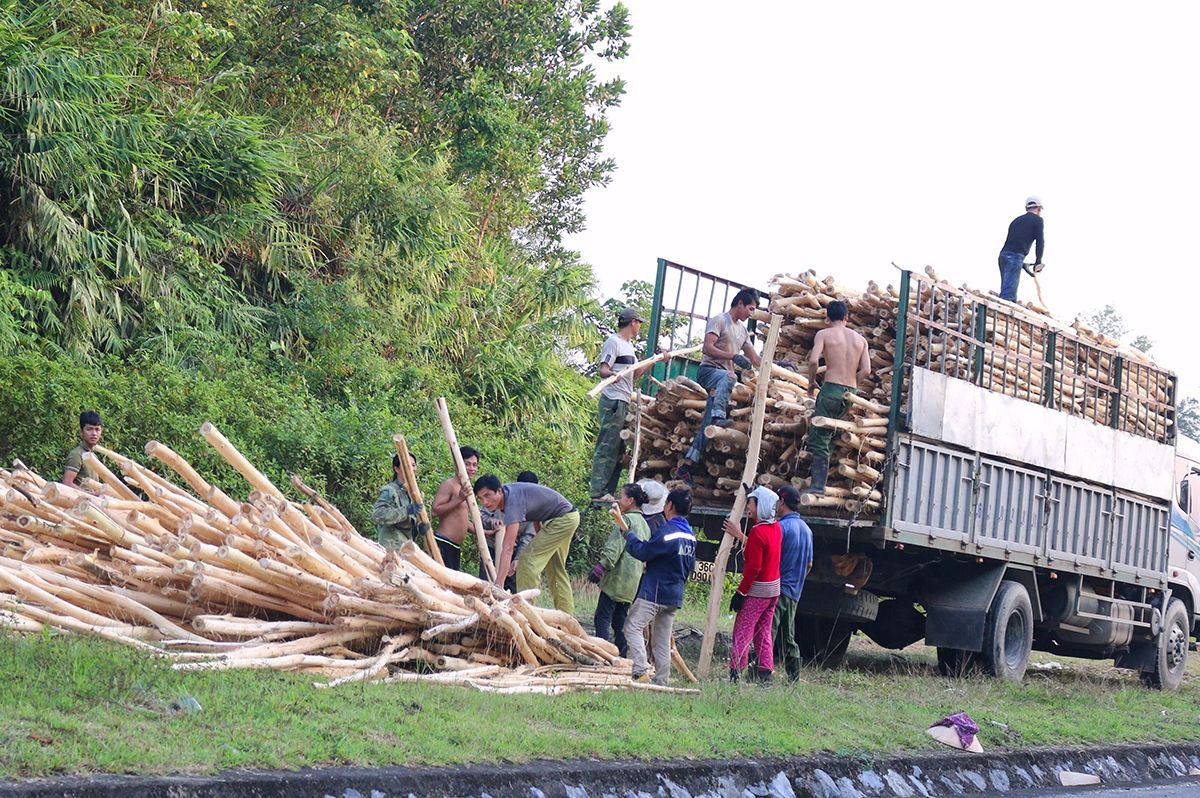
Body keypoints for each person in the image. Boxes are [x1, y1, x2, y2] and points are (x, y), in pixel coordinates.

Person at [673, 289, 762, 488]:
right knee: (731, 375)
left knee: (708, 427)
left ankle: (686, 466)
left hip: (723, 383)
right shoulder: (719, 320)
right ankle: (718, 415)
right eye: (750, 308)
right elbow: (707, 348)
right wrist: (733, 358)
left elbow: (755, 359)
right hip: (709, 372)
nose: (751, 314)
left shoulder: (743, 331)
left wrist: (777, 365)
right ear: (739, 304)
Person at [590, 307, 667, 502]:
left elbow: (634, 375)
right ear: (633, 322)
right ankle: (598, 491)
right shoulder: (613, 342)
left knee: (619, 449)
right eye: (639, 322)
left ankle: (609, 490)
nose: (640, 326)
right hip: (613, 400)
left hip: (624, 399)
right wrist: (612, 375)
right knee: (608, 445)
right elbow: (604, 370)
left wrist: (654, 361)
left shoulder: (629, 346)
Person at [474, 474, 580, 613]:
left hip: (561, 519)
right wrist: (540, 535)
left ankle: (526, 613)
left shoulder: (512, 502)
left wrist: (498, 586)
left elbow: (508, 548)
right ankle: (567, 616)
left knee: (526, 562)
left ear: (499, 491)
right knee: (555, 568)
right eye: (481, 498)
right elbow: (537, 514)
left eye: (487, 495)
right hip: (568, 517)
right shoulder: (509, 493)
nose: (485, 502)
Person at [622, 487, 697, 685]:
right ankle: (661, 679)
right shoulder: (690, 535)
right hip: (674, 595)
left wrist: (629, 537)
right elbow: (690, 566)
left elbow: (644, 552)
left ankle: (640, 670)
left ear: (669, 505)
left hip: (655, 591)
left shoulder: (667, 531)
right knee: (662, 639)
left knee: (632, 627)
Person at [804, 300, 870, 495]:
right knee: (833, 432)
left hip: (831, 388)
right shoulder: (861, 340)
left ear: (827, 318)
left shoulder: (824, 334)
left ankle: (818, 486)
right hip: (851, 393)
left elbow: (814, 360)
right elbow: (866, 370)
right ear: (847, 317)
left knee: (820, 435)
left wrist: (812, 381)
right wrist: (854, 382)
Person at [722, 485, 783, 683]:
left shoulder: (758, 532)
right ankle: (765, 674)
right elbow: (762, 550)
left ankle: (735, 674)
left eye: (751, 502)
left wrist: (740, 593)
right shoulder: (775, 526)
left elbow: (753, 568)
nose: (748, 506)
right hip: (773, 590)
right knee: (763, 632)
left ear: (761, 505)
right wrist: (740, 535)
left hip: (758, 591)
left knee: (742, 631)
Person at [592, 483, 652, 657]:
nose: (618, 500)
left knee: (602, 617)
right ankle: (622, 657)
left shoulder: (624, 520)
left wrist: (602, 566)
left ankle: (602, 655)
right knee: (620, 622)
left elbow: (615, 546)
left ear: (630, 500)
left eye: (621, 496)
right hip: (632, 582)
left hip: (617, 578)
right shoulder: (645, 525)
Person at [772, 485, 813, 681]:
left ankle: (759, 672)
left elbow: (768, 555)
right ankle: (793, 675)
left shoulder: (781, 528)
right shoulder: (807, 530)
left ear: (782, 501)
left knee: (768, 632)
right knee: (788, 635)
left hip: (778, 588)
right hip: (794, 591)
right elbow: (809, 564)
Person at [479, 470, 539, 591]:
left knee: (511, 590)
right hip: (491, 549)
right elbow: (480, 515)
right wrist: (491, 521)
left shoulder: (534, 506)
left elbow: (529, 537)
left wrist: (518, 559)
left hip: (512, 551)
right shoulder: (501, 495)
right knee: (485, 586)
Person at [430, 445, 483, 571]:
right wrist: (459, 499)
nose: (472, 468)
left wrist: (486, 533)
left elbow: (462, 520)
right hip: (444, 543)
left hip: (455, 547)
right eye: (467, 464)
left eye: (475, 465)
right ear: (458, 464)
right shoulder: (449, 485)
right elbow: (434, 511)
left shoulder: (467, 489)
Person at [371, 452, 423, 549]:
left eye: (413, 465)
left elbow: (410, 523)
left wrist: (420, 528)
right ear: (397, 469)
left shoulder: (414, 493)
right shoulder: (390, 491)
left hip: (407, 547)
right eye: (407, 465)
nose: (411, 469)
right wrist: (406, 510)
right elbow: (377, 514)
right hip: (391, 546)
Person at [997, 196, 1046, 302]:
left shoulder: (1016, 221)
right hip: (1015, 256)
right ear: (1039, 208)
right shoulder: (1038, 220)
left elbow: (1016, 240)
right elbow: (1040, 242)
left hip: (1003, 256)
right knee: (1008, 296)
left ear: (1026, 208)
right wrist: (1038, 262)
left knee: (1008, 291)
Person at [62, 410, 104, 489]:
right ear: (81, 432)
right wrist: (89, 495)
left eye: (97, 429)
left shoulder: (94, 457)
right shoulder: (77, 455)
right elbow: (67, 483)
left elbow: (96, 485)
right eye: (89, 429)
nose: (94, 433)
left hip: (92, 500)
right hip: (78, 500)